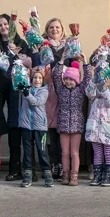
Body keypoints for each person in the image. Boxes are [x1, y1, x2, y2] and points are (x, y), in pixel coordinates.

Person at [0, 14, 37, 182]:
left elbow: (31, 63)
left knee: (19, 126)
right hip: (0, 90)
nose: (3, 27)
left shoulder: (21, 43)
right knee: (5, 126)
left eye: (6, 24)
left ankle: (25, 168)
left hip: (18, 90)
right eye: (0, 25)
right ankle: (6, 167)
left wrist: (19, 56)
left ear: (11, 25)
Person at [52, 57, 92, 186]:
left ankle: (74, 175)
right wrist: (62, 59)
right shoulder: (61, 89)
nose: (68, 81)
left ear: (76, 80)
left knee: (74, 152)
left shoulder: (81, 90)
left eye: (71, 79)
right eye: (67, 79)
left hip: (76, 124)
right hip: (63, 123)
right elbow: (57, 75)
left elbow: (88, 77)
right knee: (65, 152)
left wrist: (85, 62)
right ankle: (66, 174)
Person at [85, 66, 110, 187]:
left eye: (108, 78)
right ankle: (97, 174)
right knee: (97, 152)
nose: (104, 80)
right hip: (95, 127)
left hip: (107, 127)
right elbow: (88, 92)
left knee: (108, 152)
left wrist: (105, 89)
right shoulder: (95, 90)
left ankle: (107, 176)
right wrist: (94, 79)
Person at [18, 67, 52, 187]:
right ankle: (28, 174)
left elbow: (37, 102)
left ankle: (47, 174)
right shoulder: (26, 88)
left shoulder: (44, 90)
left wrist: (27, 94)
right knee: (27, 151)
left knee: (42, 151)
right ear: (31, 79)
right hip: (26, 125)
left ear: (43, 80)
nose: (37, 80)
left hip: (40, 126)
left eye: (39, 78)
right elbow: (18, 84)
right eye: (35, 78)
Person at [42, 17, 67, 180]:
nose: (54, 29)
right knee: (50, 129)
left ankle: (61, 164)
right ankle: (51, 163)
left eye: (57, 27)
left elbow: (75, 66)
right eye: (51, 27)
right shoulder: (43, 45)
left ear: (62, 29)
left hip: (65, 88)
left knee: (61, 130)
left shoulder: (70, 45)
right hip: (49, 90)